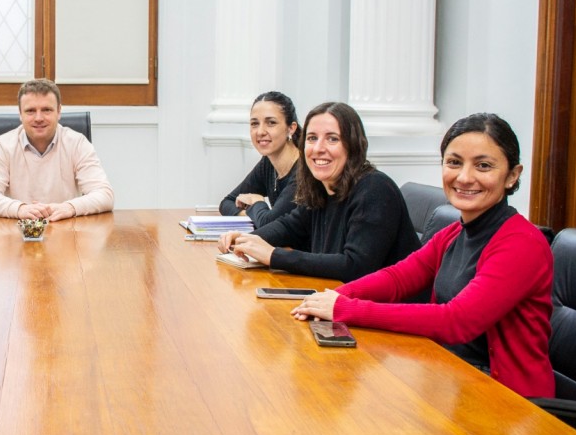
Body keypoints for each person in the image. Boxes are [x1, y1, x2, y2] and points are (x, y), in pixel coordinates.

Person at [291, 114, 553, 398]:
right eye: (454, 162)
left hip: (514, 406)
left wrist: (344, 308)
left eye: (483, 166)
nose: (464, 177)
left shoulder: (522, 243)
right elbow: (398, 278)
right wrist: (333, 297)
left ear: (512, 175)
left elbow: (456, 321)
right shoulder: (455, 232)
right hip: (451, 379)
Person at [218, 102, 419, 282]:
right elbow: (290, 227)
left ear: (353, 145)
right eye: (312, 138)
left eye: (332, 139)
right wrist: (248, 239)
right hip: (338, 301)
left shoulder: (375, 188)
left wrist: (273, 255)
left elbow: (356, 266)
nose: (318, 148)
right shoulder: (321, 186)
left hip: (386, 314)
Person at [0, 78, 114, 220]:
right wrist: (20, 209)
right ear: (20, 114)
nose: (39, 118)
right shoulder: (3, 145)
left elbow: (104, 194)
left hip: (65, 230)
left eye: (46, 110)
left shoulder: (77, 143)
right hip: (19, 231)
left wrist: (70, 207)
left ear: (59, 111)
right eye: (30, 111)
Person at [218, 91, 302, 227]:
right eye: (254, 124)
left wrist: (257, 202)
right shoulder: (268, 163)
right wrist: (255, 214)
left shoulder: (303, 171)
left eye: (271, 123)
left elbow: (269, 223)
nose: (260, 131)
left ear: (291, 128)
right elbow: (227, 202)